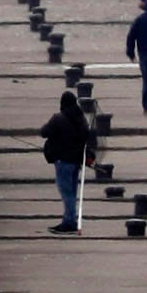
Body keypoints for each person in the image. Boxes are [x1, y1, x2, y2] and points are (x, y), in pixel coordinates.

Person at [36, 91, 94, 234]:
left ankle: (69, 222)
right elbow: (86, 137)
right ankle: (69, 220)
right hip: (76, 162)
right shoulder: (81, 119)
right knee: (72, 192)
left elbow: (44, 132)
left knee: (66, 192)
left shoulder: (58, 118)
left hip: (63, 162)